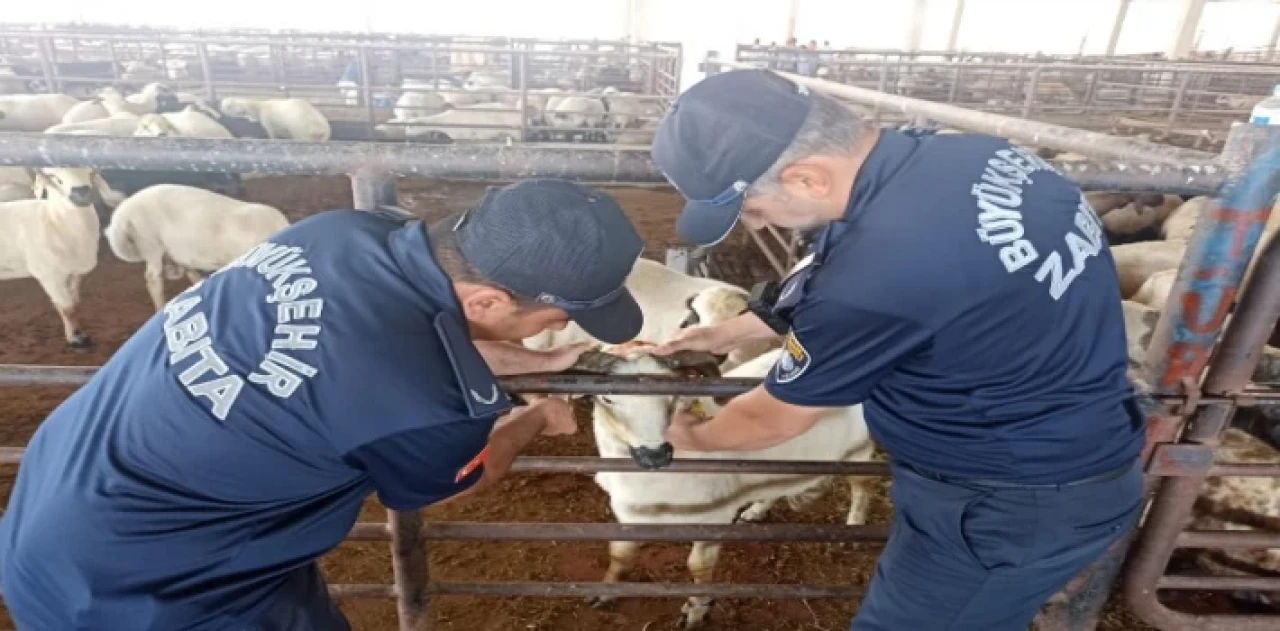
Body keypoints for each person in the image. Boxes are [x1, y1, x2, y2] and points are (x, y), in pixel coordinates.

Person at [0, 179, 646, 630]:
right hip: (151, 597)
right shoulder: (423, 403)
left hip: (56, 507)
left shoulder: (340, 232)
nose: (551, 330)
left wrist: (530, 362)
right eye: (557, 318)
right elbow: (458, 477)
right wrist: (536, 415)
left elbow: (362, 344)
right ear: (487, 301)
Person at [650, 69, 1145, 631]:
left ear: (807, 178)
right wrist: (734, 330)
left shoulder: (877, 274)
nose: (755, 224)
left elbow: (770, 419)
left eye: (752, 208)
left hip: (1005, 501)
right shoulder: (977, 157)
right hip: (1060, 451)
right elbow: (872, 273)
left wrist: (686, 437)